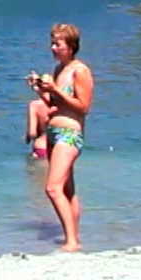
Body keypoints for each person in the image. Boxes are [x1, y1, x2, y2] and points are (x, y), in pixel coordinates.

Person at [27, 22, 93, 252]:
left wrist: (54, 90)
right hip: (54, 133)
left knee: (52, 188)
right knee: (67, 189)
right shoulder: (58, 70)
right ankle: (73, 236)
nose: (54, 48)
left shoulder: (80, 71)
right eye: (52, 43)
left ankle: (71, 241)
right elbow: (53, 106)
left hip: (70, 133)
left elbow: (83, 107)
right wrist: (41, 91)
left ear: (71, 46)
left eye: (58, 44)